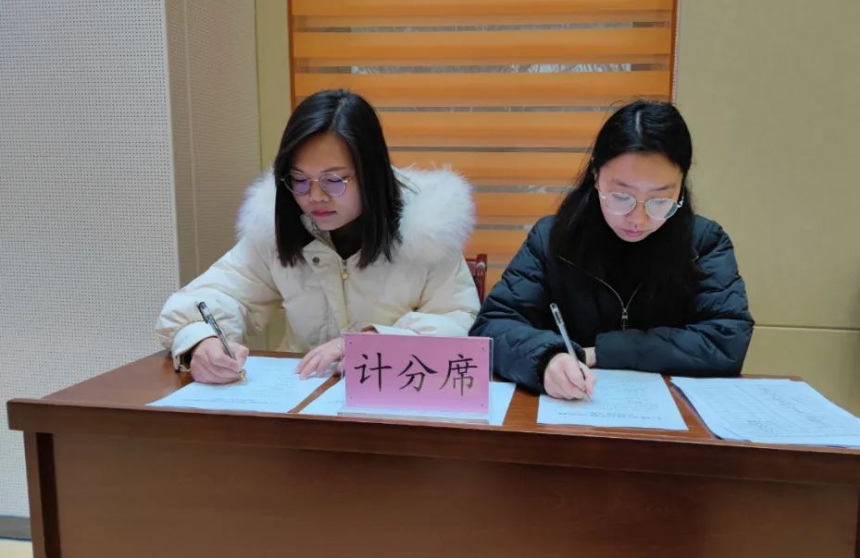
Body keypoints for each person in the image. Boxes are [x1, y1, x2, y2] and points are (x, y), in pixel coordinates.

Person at [156, 89, 480, 384]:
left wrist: (373, 343)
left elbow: (461, 325)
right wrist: (201, 340)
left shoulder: (427, 231)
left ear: (371, 173)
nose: (314, 197)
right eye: (299, 180)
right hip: (301, 398)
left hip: (395, 401)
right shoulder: (277, 226)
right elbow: (210, 297)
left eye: (334, 180)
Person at [469, 100, 753, 400]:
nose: (637, 218)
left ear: (681, 186)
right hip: (569, 410)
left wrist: (601, 353)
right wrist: (546, 358)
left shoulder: (704, 243)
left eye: (660, 201)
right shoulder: (552, 240)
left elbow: (727, 339)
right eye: (621, 196)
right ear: (595, 175)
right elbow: (492, 327)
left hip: (673, 417)